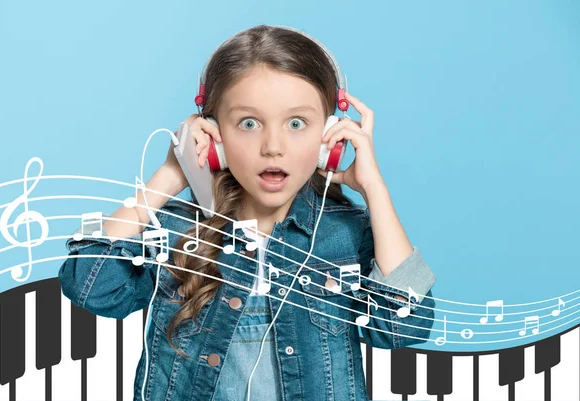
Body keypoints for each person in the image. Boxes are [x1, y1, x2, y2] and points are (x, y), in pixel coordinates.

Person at [58, 24, 437, 401]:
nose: (273, 146)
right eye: (249, 123)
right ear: (212, 135)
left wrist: (375, 190)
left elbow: (404, 327)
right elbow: (90, 286)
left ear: (330, 136)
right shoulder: (177, 228)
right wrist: (172, 174)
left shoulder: (347, 233)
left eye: (296, 123)